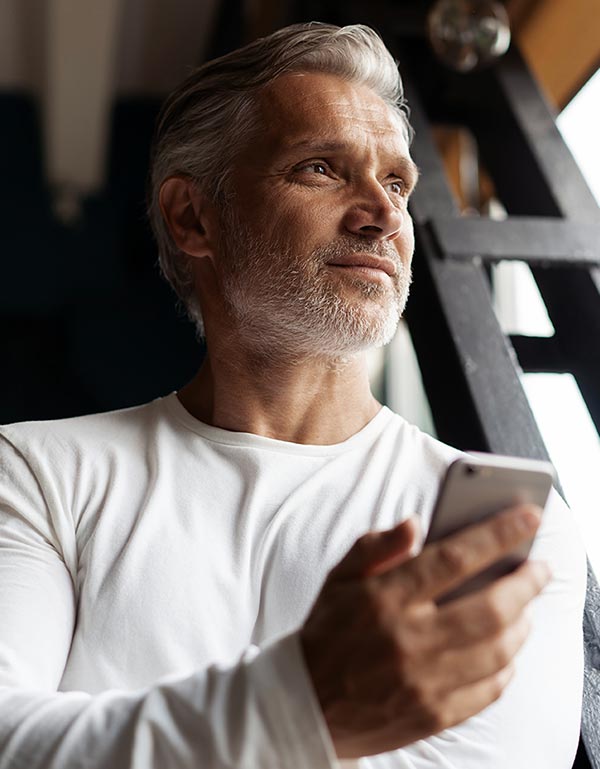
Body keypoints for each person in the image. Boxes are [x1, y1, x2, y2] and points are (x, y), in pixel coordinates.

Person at [0, 22, 586, 769]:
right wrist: (307, 704)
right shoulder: (35, 473)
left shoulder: (508, 535)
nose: (383, 213)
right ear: (193, 218)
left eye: (397, 182)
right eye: (321, 168)